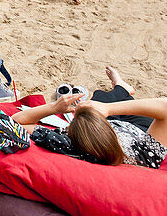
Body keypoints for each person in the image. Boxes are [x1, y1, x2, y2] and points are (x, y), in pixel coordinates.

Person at [14, 67, 167, 170]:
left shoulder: (69, 145)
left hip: (128, 129)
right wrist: (107, 109)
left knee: (102, 98)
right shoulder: (145, 155)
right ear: (108, 127)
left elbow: (15, 122)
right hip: (140, 132)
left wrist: (54, 107)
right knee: (105, 100)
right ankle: (121, 89)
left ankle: (121, 89)